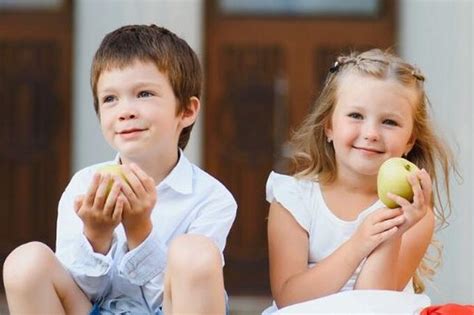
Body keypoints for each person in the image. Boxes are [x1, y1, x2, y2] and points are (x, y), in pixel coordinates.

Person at [3, 24, 237, 315]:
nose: (125, 110)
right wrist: (96, 236)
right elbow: (78, 292)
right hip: (97, 309)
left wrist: (139, 231)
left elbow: (172, 299)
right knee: (25, 262)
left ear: (186, 111)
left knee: (195, 253)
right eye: (110, 99)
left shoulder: (211, 198)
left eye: (144, 94)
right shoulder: (84, 186)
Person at [263, 49, 455, 312]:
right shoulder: (293, 201)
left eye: (389, 122)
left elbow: (376, 303)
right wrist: (358, 244)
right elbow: (289, 297)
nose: (371, 133)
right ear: (328, 126)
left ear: (410, 140)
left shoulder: (415, 213)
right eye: (356, 116)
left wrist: (393, 232)